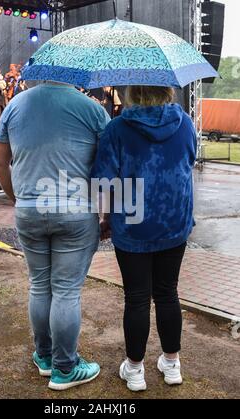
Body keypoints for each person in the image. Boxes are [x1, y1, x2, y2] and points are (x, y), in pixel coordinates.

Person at [0, 80, 110, 391]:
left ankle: (44, 357)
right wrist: (106, 211)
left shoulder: (16, 105)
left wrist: (17, 197)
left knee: (39, 285)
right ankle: (65, 368)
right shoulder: (92, 109)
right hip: (75, 210)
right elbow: (109, 165)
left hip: (30, 209)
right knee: (66, 290)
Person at [91, 85, 197, 392]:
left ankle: (135, 370)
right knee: (168, 293)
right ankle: (172, 363)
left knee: (136, 298)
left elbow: (104, 181)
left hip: (133, 226)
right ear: (167, 92)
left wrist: (105, 217)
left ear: (131, 93)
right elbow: (189, 159)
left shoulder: (118, 128)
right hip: (174, 222)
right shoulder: (185, 122)